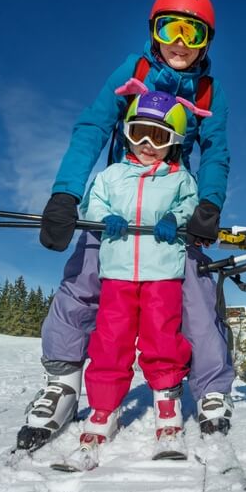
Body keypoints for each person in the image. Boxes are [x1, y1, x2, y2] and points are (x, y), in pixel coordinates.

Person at [19, 0, 234, 451]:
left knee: (194, 292)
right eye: (168, 28)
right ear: (153, 33)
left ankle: (211, 387)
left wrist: (207, 205)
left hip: (171, 210)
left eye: (192, 32)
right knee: (82, 280)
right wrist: (66, 195)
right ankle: (63, 383)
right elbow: (95, 125)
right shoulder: (133, 70)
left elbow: (215, 151)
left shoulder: (207, 89)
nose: (179, 41)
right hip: (117, 206)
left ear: (205, 42)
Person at [79, 91, 198, 450]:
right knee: (110, 339)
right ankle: (103, 407)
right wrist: (104, 219)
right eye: (139, 133)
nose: (147, 144)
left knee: (161, 337)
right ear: (127, 133)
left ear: (173, 142)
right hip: (117, 273)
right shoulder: (112, 175)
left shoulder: (180, 179)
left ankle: (166, 399)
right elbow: (92, 203)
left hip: (161, 273)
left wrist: (173, 219)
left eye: (158, 136)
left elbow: (190, 205)